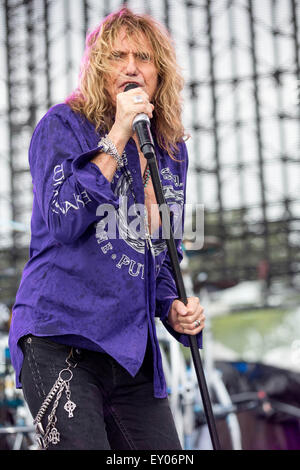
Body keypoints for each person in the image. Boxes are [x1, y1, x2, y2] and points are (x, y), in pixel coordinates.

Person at [8, 7, 205, 450]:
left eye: (144, 57)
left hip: (130, 352)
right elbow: (63, 218)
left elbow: (155, 252)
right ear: (100, 68)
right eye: (118, 56)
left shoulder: (170, 152)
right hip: (61, 341)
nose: (132, 66)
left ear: (160, 73)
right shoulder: (61, 127)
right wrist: (117, 134)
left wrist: (172, 305)